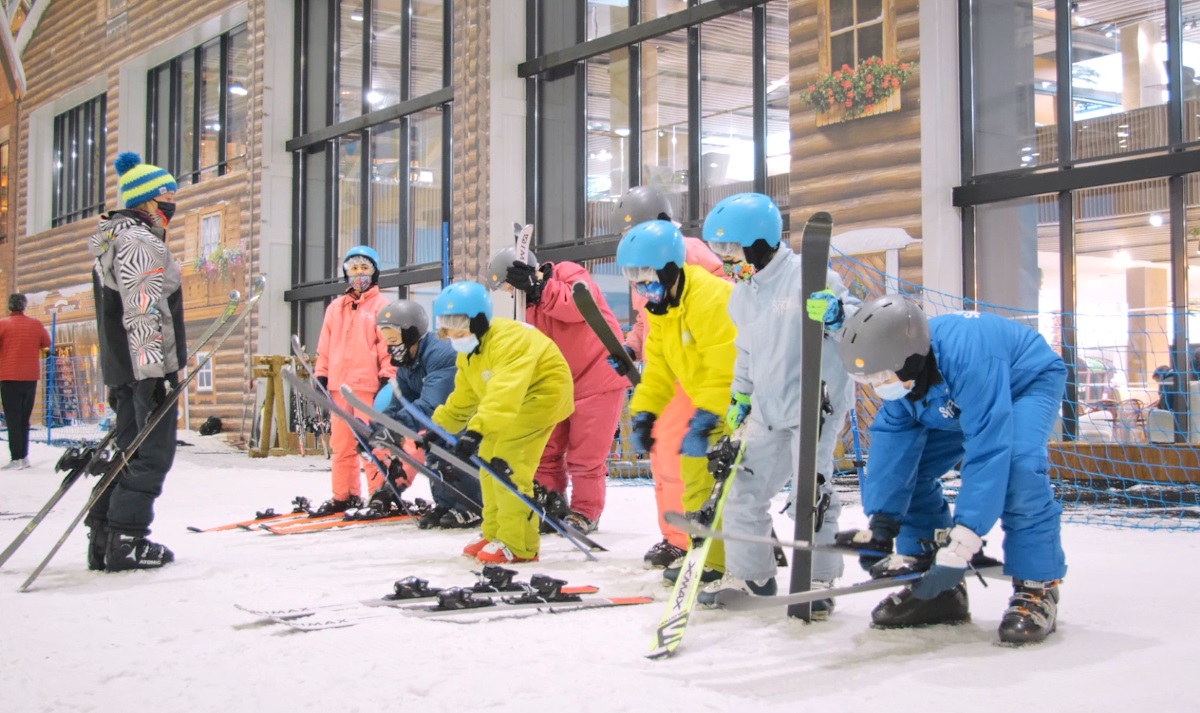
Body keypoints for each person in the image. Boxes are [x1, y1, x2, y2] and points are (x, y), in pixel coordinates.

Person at [835, 296, 1068, 645]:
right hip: (949, 396)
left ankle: (1038, 587)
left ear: (909, 357)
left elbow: (989, 451)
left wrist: (964, 541)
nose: (879, 385)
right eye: (870, 379)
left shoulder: (969, 358)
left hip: (1024, 383)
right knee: (913, 471)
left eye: (882, 376)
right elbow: (891, 451)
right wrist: (882, 524)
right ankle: (939, 589)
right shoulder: (904, 376)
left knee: (1019, 467)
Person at [693, 193, 854, 613]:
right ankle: (754, 576)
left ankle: (819, 579)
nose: (726, 261)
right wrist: (740, 395)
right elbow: (745, 351)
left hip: (812, 406)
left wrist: (838, 317)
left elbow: (856, 329)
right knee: (742, 487)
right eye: (719, 251)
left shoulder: (813, 276)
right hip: (766, 408)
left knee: (810, 495)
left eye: (731, 250)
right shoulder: (741, 295)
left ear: (759, 242)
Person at [613, 186, 729, 569]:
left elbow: (711, 326)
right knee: (666, 449)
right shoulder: (645, 265)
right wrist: (632, 347)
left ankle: (684, 538)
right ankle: (680, 535)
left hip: (701, 370)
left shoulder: (689, 257)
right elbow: (652, 316)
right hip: (677, 364)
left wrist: (711, 407)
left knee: (681, 453)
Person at [83, 152, 186, 571]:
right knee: (151, 453)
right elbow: (142, 310)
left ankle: (105, 534)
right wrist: (154, 375)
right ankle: (128, 538)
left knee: (129, 448)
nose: (171, 205)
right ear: (145, 201)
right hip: (146, 368)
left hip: (124, 368)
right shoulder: (140, 242)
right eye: (167, 196)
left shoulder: (116, 240)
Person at [428, 281, 574, 564]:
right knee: (487, 458)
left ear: (479, 320)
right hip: (511, 401)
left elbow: (503, 393)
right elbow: (466, 395)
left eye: (459, 324)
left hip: (542, 394)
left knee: (507, 461)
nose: (453, 334)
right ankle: (495, 532)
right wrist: (438, 427)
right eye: (447, 326)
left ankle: (519, 544)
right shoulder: (471, 351)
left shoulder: (508, 342)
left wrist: (476, 429)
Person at [485, 246, 627, 535]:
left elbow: (578, 305)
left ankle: (586, 512)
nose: (511, 293)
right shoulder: (527, 308)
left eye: (510, 286)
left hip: (597, 377)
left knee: (585, 455)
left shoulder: (569, 273)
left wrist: (540, 287)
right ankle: (551, 501)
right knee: (546, 449)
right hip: (558, 385)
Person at [371, 299, 480, 528]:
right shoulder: (407, 363)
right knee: (433, 449)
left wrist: (398, 426)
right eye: (387, 341)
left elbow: (431, 404)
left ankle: (471, 505)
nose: (390, 347)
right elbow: (400, 402)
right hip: (444, 417)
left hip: (467, 415)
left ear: (411, 333)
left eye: (393, 340)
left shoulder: (440, 353)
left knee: (456, 451)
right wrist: (377, 428)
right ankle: (446, 503)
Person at [313, 245, 396, 515]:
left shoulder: (382, 307)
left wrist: (387, 375)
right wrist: (321, 374)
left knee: (371, 443)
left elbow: (388, 345)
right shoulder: (336, 308)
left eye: (364, 268)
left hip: (367, 387)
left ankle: (379, 494)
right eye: (353, 269)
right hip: (339, 387)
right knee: (341, 445)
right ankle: (344, 494)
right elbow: (324, 346)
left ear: (374, 273)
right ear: (346, 273)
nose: (359, 274)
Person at [0, 293, 50, 469]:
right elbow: (46, 342)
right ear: (24, 306)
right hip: (30, 376)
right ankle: (24, 457)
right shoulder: (35, 324)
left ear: (9, 306)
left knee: (13, 418)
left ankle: (16, 458)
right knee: (24, 418)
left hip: (9, 376)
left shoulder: (3, 324)